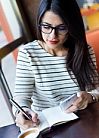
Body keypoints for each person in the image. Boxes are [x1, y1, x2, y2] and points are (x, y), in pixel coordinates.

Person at [13, 0, 99, 130]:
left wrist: (89, 97)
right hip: (48, 127)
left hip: (84, 122)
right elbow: (21, 98)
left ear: (71, 27)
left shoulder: (84, 51)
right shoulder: (28, 53)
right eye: (46, 27)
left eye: (62, 28)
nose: (53, 35)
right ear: (39, 24)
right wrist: (22, 112)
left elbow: (96, 90)